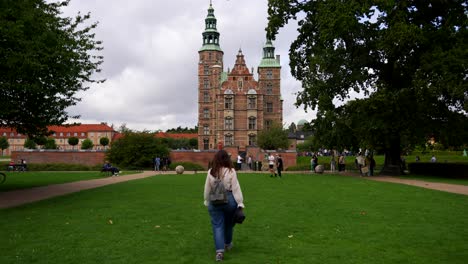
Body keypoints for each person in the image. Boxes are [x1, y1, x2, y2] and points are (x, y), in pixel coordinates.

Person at [204, 150, 245, 262]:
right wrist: (240, 203)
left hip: (215, 199)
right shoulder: (231, 171)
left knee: (217, 226)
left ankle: (219, 252)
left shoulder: (211, 171)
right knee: (228, 224)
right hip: (229, 199)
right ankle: (227, 243)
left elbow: (207, 189)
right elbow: (236, 188)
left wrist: (207, 201)